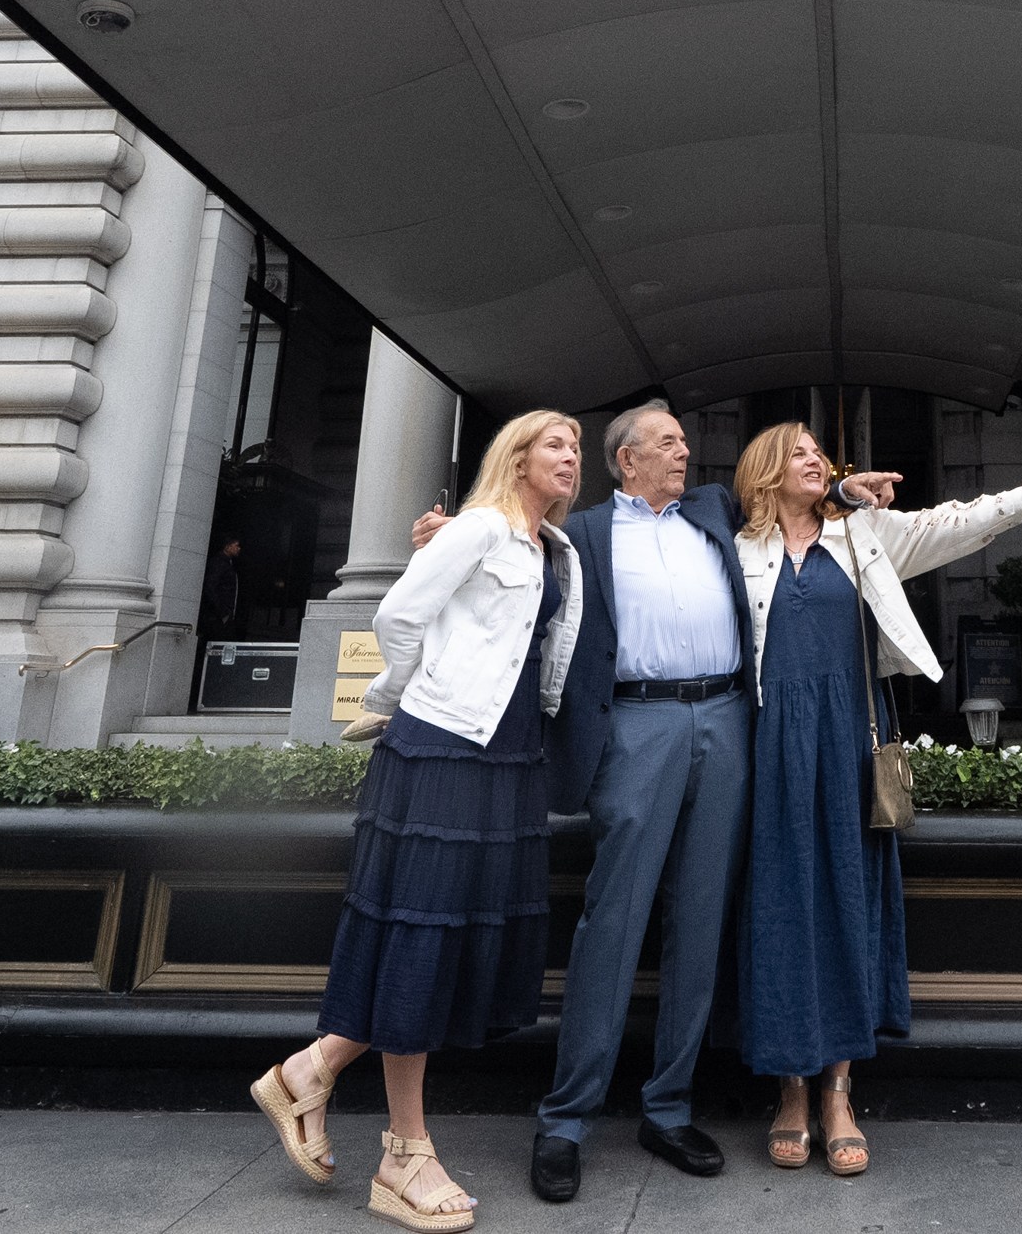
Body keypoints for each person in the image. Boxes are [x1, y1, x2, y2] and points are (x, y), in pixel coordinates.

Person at [410, 402, 897, 1201]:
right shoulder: (587, 533)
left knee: (701, 919)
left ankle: (667, 1107)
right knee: (616, 917)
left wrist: (848, 494)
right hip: (635, 726)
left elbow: (794, 504)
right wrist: (445, 538)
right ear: (625, 459)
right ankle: (566, 1118)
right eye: (667, 442)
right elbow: (512, 535)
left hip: (729, 722)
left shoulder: (712, 508)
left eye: (683, 441)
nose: (684, 451)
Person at [735, 422, 1022, 1177]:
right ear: (767, 471)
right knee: (781, 904)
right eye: (801, 453)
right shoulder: (735, 548)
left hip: (847, 738)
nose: (818, 461)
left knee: (846, 899)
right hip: (769, 745)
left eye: (822, 454)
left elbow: (951, 525)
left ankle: (838, 1090)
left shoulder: (864, 533)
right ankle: (790, 1091)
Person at [252, 411, 586, 1234]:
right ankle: (403, 1152)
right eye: (556, 445)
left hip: (507, 752)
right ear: (514, 458)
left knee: (454, 933)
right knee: (424, 933)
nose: (572, 457)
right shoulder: (480, 529)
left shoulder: (558, 550)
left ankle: (311, 1071)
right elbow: (398, 616)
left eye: (578, 448)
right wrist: (411, 689)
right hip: (443, 744)